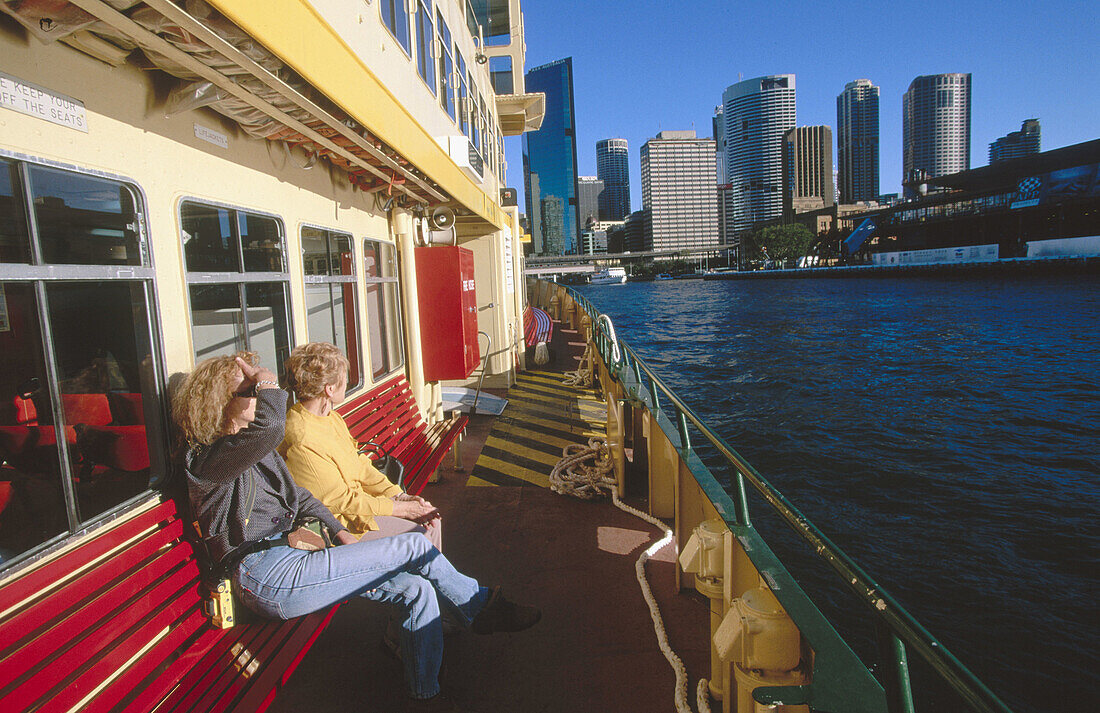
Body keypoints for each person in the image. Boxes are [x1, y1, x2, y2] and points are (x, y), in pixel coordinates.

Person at [174, 352, 539, 712]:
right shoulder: (208, 459)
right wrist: (268, 381)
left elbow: (300, 497)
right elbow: (271, 428)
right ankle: (480, 608)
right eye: (250, 392)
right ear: (222, 403)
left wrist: (338, 532)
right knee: (413, 546)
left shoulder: (252, 452)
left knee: (417, 589)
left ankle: (425, 695)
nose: (259, 395)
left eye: (258, 390)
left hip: (294, 557)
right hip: (265, 576)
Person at [279, 342, 441, 550]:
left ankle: (431, 581)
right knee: (423, 534)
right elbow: (342, 502)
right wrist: (402, 510)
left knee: (432, 520)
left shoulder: (330, 417)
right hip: (339, 528)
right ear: (330, 389)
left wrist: (398, 495)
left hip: (358, 512)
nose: (347, 383)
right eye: (345, 379)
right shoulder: (302, 439)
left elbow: (359, 465)